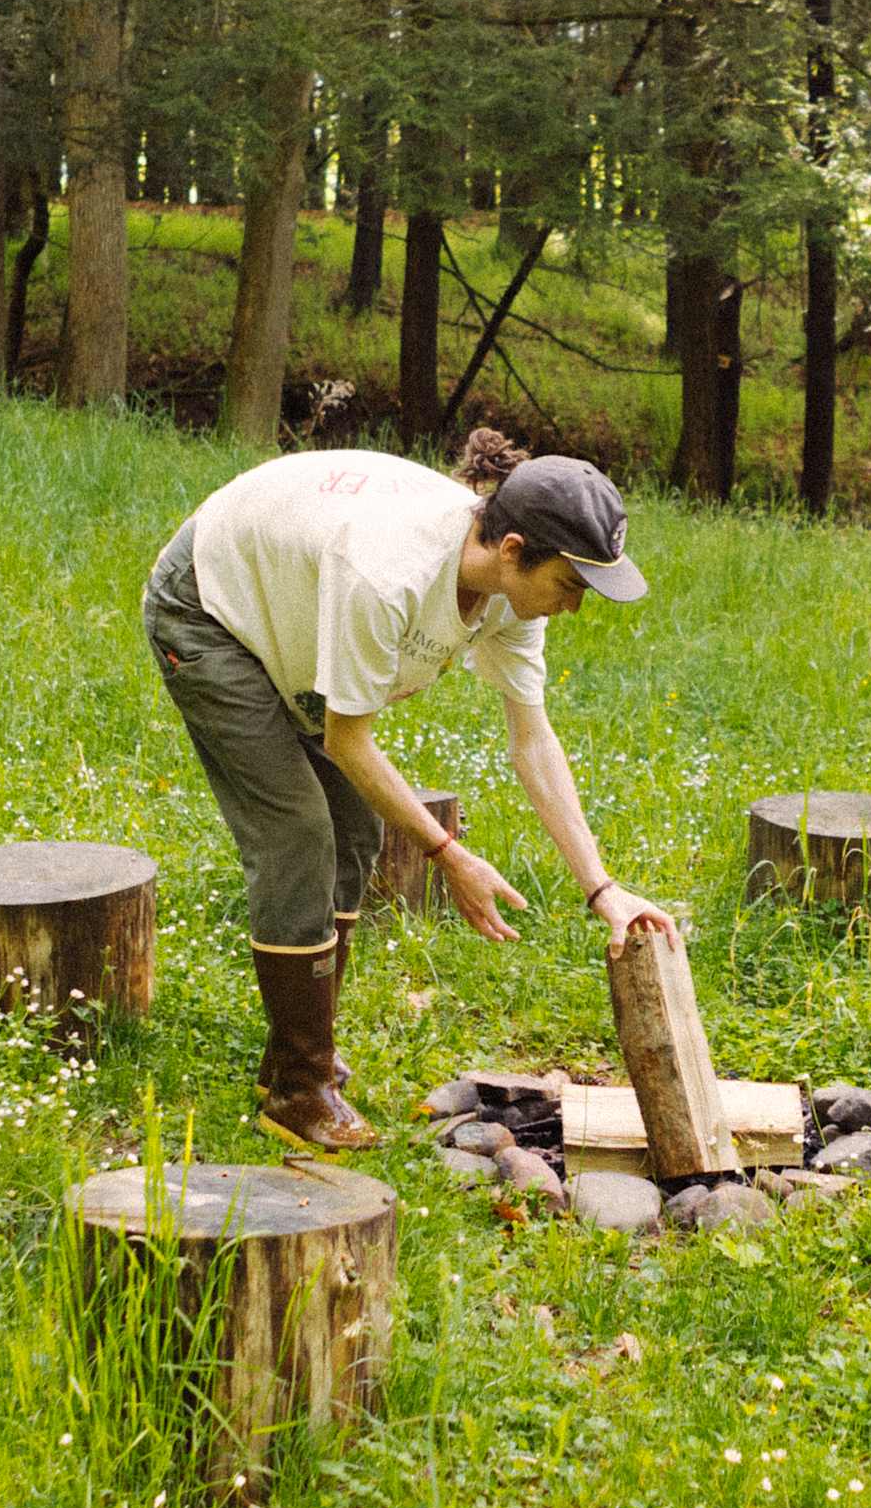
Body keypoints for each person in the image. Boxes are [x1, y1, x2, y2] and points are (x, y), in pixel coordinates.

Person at [143, 429, 682, 1152]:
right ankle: (300, 1088)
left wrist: (602, 890)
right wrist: (448, 855)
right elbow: (348, 741)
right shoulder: (388, 575)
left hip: (293, 604)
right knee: (298, 833)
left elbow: (533, 742)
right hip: (209, 607)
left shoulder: (508, 598)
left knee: (354, 829)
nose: (574, 608)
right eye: (570, 586)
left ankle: (296, 1056)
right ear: (513, 549)